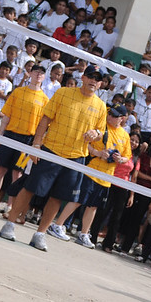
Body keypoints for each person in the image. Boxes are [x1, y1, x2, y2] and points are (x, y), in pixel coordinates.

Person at [0, 67, 106, 250]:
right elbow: (46, 118)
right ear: (83, 77)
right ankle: (9, 224)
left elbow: (100, 133)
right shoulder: (64, 93)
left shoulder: (101, 106)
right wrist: (36, 144)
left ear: (101, 84)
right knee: (29, 187)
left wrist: (95, 133)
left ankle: (40, 234)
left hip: (75, 157)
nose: (93, 81)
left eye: (98, 79)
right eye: (91, 77)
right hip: (50, 150)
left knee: (58, 197)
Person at [49, 104, 132, 248]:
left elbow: (127, 156)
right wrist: (98, 153)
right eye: (110, 114)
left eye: (115, 115)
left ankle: (83, 234)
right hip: (92, 171)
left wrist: (120, 159)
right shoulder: (101, 128)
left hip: (107, 177)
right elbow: (85, 143)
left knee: (93, 206)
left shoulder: (125, 135)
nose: (111, 117)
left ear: (123, 119)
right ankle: (57, 224)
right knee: (77, 200)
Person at [0, 65, 48, 213]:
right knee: (0, 169)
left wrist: (36, 145)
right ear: (30, 73)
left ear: (44, 77)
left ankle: (10, 206)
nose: (38, 74)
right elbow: (6, 117)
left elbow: (42, 127)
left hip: (28, 140)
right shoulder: (18, 92)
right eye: (36, 71)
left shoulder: (44, 100)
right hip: (10, 134)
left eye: (42, 73)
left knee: (17, 174)